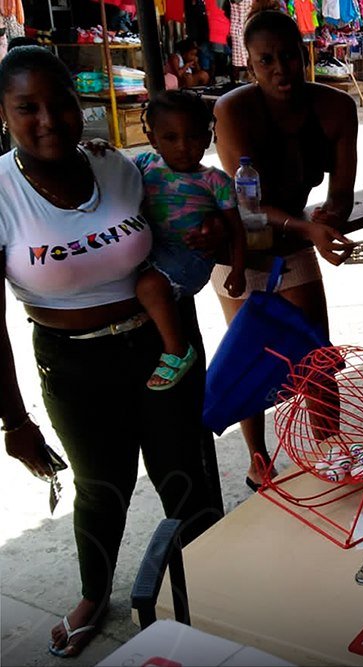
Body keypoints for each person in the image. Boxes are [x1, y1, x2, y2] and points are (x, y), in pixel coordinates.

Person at [0, 46, 224, 659]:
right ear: (5, 112)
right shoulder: (1, 193)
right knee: (101, 486)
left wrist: (212, 232)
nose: (48, 118)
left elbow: (181, 226)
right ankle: (94, 595)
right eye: (28, 107)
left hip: (164, 341)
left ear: (82, 107)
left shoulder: (124, 168)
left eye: (61, 103)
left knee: (188, 470)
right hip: (74, 362)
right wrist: (15, 422)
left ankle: (212, 585)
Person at [213, 8, 358, 491]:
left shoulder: (336, 109)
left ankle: (330, 452)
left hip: (294, 244)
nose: (281, 70)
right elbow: (245, 201)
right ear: (250, 66)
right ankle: (260, 461)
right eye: (266, 60)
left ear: (304, 55)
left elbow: (339, 194)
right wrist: (306, 225)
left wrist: (330, 222)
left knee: (316, 354)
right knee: (250, 355)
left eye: (289, 57)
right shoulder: (233, 111)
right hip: (237, 249)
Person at [134, 90, 247, 390]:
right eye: (170, 137)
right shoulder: (145, 164)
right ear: (153, 138)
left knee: (148, 286)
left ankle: (177, 348)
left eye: (194, 137)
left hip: (191, 257)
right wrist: (97, 150)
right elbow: (110, 175)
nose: (183, 147)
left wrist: (237, 270)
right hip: (156, 252)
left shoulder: (215, 181)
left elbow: (236, 229)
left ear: (208, 139)